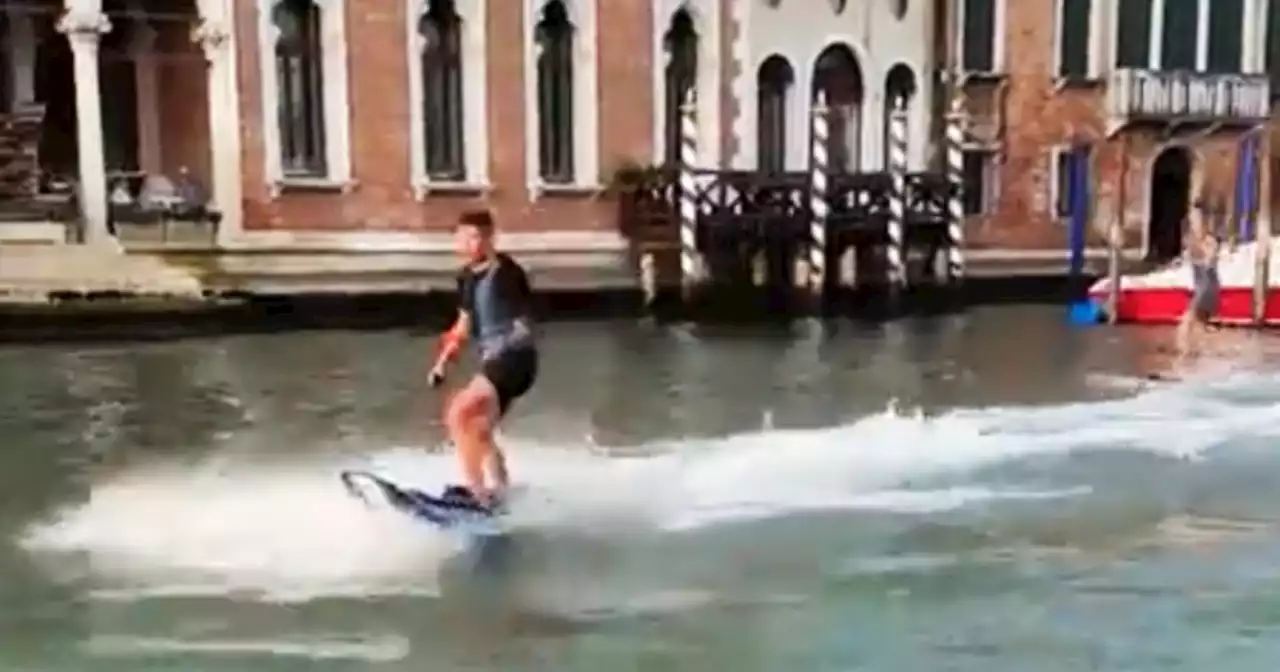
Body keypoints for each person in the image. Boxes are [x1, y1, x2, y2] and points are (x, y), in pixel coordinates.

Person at [428, 209, 538, 508]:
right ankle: (501, 491)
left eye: (478, 237)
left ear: (491, 238)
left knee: (459, 411)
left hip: (515, 359)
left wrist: (516, 336)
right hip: (494, 361)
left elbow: (524, 321)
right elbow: (462, 327)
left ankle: (476, 494)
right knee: (478, 428)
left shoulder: (507, 272)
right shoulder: (466, 278)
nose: (471, 243)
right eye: (465, 237)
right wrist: (441, 363)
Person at [1175, 215, 1221, 358]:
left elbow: (1208, 258)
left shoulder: (1206, 244)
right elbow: (1206, 258)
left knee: (1191, 319)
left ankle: (1185, 348)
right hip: (1209, 287)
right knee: (1196, 320)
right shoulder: (1200, 246)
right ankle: (1189, 348)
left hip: (1207, 287)